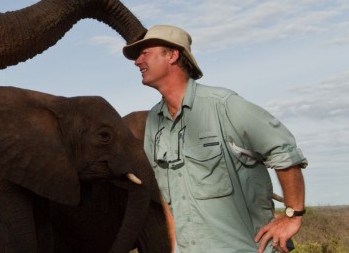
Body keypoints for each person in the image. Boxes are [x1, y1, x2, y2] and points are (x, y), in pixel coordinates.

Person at [123, 25, 307, 253]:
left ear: (172, 55)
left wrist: (293, 215)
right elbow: (168, 197)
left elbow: (283, 150)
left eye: (145, 53)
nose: (137, 61)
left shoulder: (224, 105)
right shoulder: (155, 123)